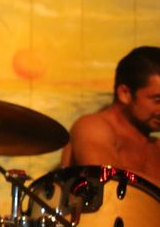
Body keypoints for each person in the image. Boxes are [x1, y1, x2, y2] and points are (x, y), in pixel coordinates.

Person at [61, 46, 160, 184]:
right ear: (125, 94)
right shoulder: (93, 127)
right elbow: (108, 182)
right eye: (157, 100)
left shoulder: (156, 146)